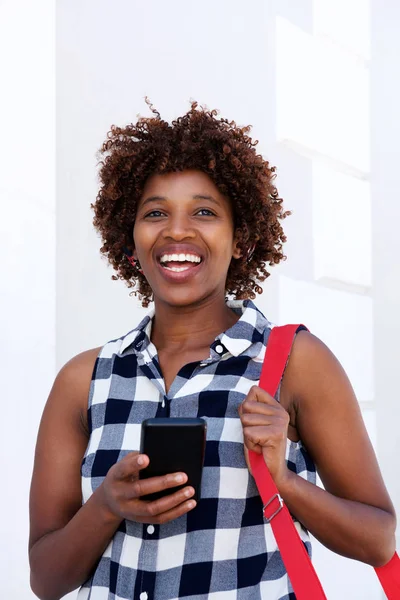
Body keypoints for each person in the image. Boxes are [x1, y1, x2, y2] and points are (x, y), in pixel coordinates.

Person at [29, 99, 396, 600]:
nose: (177, 230)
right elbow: (46, 580)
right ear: (129, 242)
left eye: (204, 211)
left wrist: (282, 482)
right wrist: (107, 506)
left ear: (240, 238)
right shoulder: (84, 378)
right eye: (155, 212)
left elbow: (378, 541)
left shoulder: (293, 362)